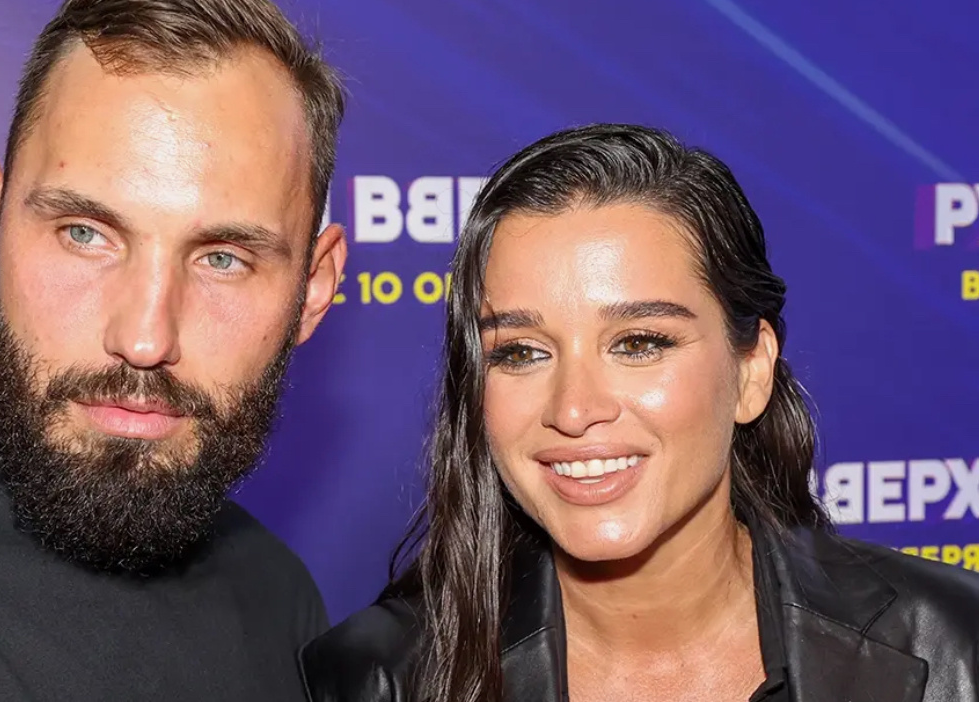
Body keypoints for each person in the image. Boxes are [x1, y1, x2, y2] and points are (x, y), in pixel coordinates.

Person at [300, 124, 979, 701]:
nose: (574, 409)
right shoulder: (375, 679)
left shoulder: (956, 644)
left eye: (639, 343)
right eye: (522, 353)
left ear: (751, 371)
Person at [0, 1, 346, 699]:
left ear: (312, 290)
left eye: (222, 259)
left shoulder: (281, 595)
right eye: (85, 234)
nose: (144, 340)